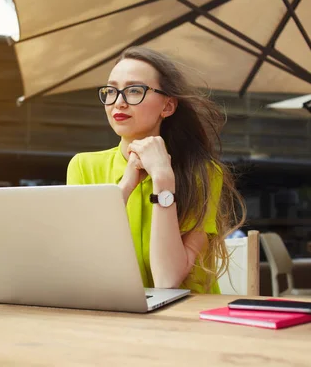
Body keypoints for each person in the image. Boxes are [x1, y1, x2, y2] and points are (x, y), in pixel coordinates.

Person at [66, 46, 245, 294]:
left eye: (134, 91)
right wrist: (125, 187)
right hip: (115, 316)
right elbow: (84, 262)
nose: (118, 102)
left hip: (188, 320)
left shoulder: (202, 173)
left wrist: (163, 180)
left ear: (168, 106)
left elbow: (167, 279)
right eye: (111, 91)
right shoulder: (83, 167)